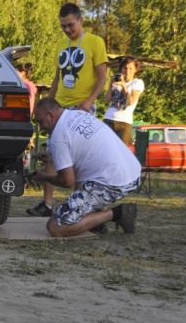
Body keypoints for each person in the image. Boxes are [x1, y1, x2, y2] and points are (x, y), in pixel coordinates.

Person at [27, 2, 108, 217]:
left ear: (81, 20)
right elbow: (57, 77)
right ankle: (47, 204)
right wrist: (48, 102)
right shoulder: (61, 44)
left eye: (70, 25)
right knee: (53, 153)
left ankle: (84, 206)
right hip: (60, 107)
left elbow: (102, 77)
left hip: (82, 106)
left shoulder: (95, 42)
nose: (67, 30)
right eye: (63, 26)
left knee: (81, 157)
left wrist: (90, 100)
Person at [32, 98, 141, 237]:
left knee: (56, 226)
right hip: (132, 173)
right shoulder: (78, 114)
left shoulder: (58, 136)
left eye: (41, 121)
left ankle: (118, 213)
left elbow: (67, 181)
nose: (41, 127)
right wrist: (54, 158)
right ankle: (96, 218)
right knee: (81, 183)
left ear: (50, 116)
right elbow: (82, 152)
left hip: (112, 183)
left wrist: (43, 177)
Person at [103, 56, 144, 144]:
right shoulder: (116, 82)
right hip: (108, 119)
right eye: (125, 68)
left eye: (130, 68)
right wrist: (110, 86)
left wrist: (123, 85)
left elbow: (130, 101)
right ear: (121, 69)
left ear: (135, 70)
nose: (127, 71)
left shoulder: (137, 83)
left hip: (123, 123)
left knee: (122, 152)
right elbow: (106, 100)